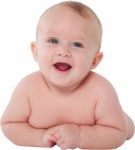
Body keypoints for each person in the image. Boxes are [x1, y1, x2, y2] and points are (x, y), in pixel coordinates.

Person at [1, 1, 134, 149]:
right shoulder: (27, 88)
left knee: (126, 127)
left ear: (94, 60)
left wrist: (81, 136)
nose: (63, 51)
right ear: (35, 51)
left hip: (111, 120)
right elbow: (9, 124)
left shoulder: (101, 91)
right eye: (53, 41)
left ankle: (125, 118)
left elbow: (117, 133)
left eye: (77, 44)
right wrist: (40, 137)